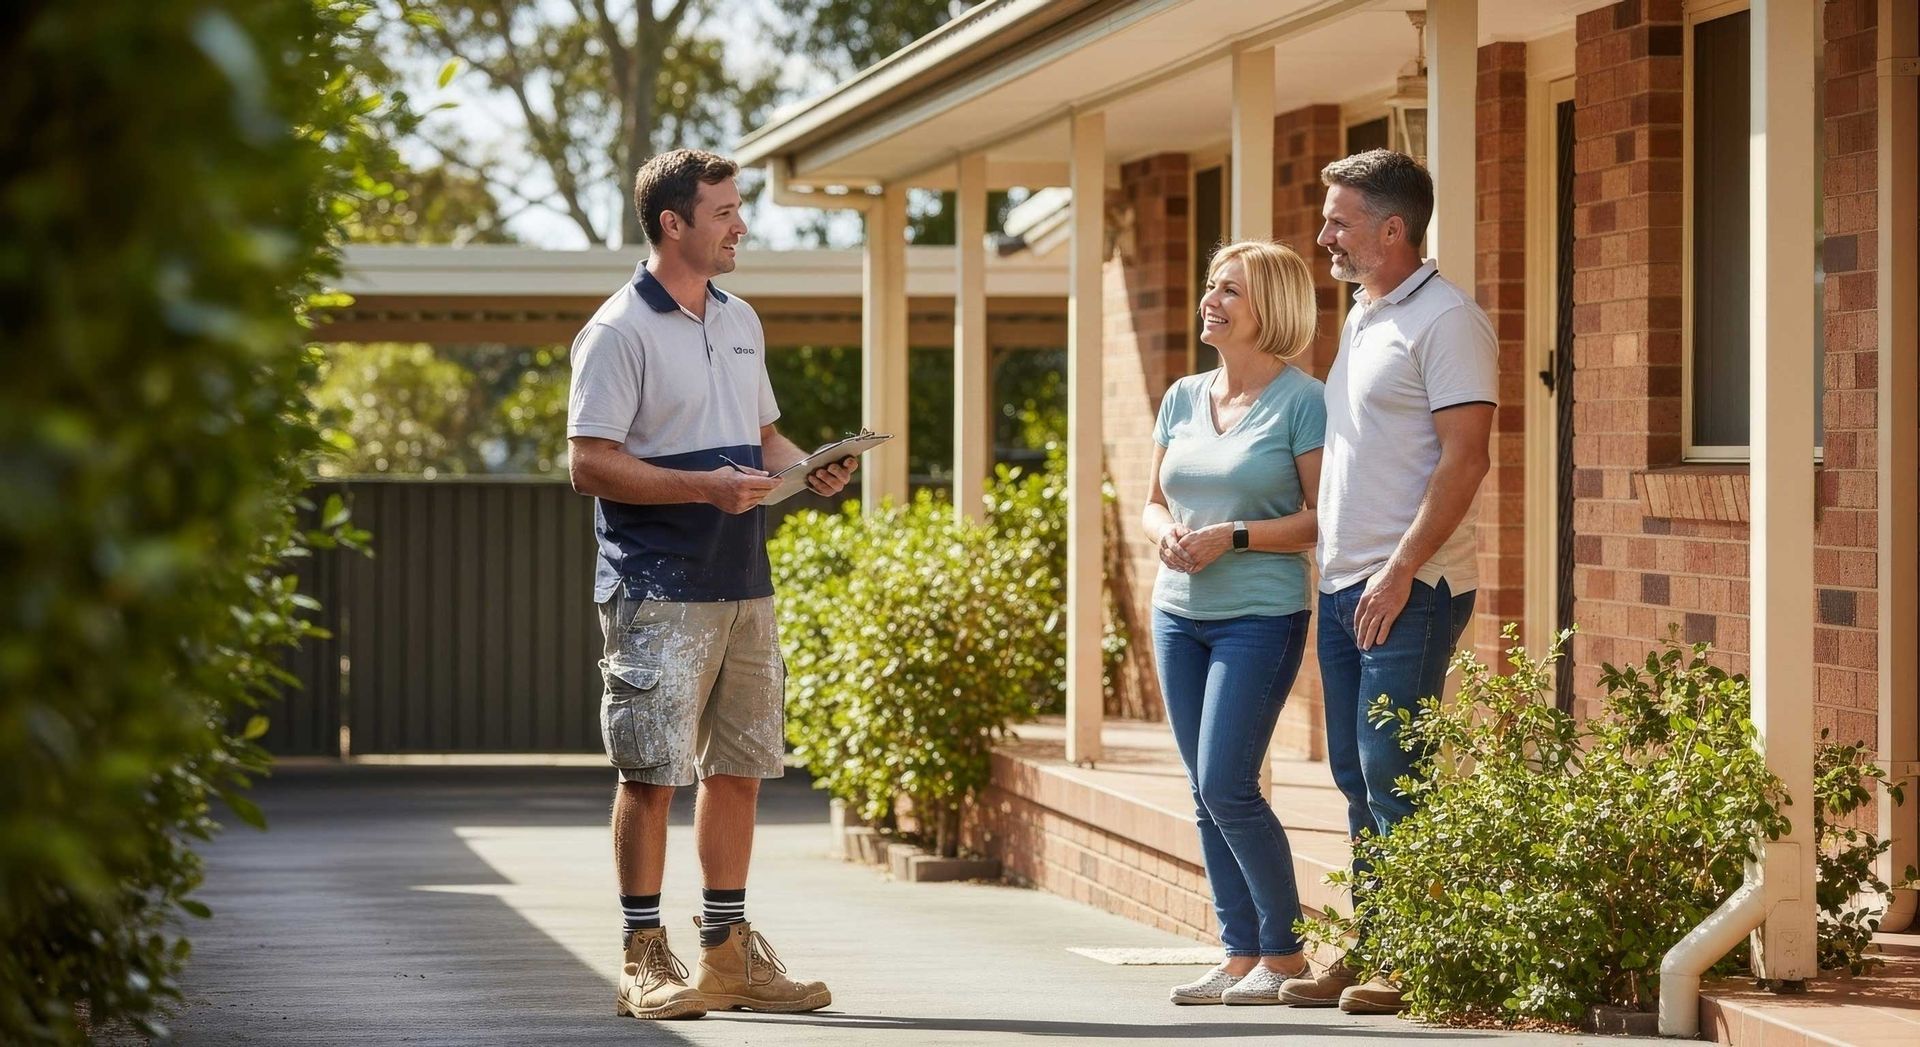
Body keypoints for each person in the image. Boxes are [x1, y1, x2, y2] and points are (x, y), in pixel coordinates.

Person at [566, 148, 855, 1021]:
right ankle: (642, 956)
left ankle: (727, 957)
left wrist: (809, 467)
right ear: (673, 223)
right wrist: (704, 486)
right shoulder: (617, 330)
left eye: (737, 208)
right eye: (724, 211)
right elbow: (588, 463)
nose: (741, 225)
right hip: (657, 585)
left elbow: (762, 436)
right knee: (651, 771)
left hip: (743, 581)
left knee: (739, 767)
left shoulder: (739, 318)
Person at [1277, 149, 1496, 1015]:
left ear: (1393, 229)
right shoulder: (1367, 315)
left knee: (1391, 766)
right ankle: (1376, 941)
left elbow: (1467, 457)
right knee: (1352, 770)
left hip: (1412, 585)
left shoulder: (1448, 321)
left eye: (1340, 220)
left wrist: (1400, 570)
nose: (1323, 234)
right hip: (1344, 583)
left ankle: (1411, 957)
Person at [1143, 240, 1326, 1006]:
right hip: (1178, 614)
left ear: (1270, 310)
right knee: (1201, 788)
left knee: (1228, 782)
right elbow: (1151, 500)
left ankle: (1284, 955)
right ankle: (1239, 951)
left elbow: (1320, 518)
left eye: (1230, 293)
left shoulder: (1303, 400)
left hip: (1261, 613)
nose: (1210, 302)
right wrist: (1165, 534)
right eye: (1210, 287)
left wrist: (1235, 536)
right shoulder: (1183, 395)